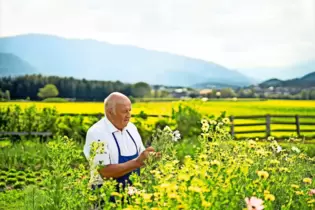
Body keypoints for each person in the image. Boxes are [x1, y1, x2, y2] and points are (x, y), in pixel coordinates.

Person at [83, 92, 157, 202]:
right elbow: (104, 172)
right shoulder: (97, 133)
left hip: (132, 195)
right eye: (124, 111)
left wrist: (151, 157)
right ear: (109, 112)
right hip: (106, 198)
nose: (128, 115)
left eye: (129, 110)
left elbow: (142, 158)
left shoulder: (132, 128)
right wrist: (137, 162)